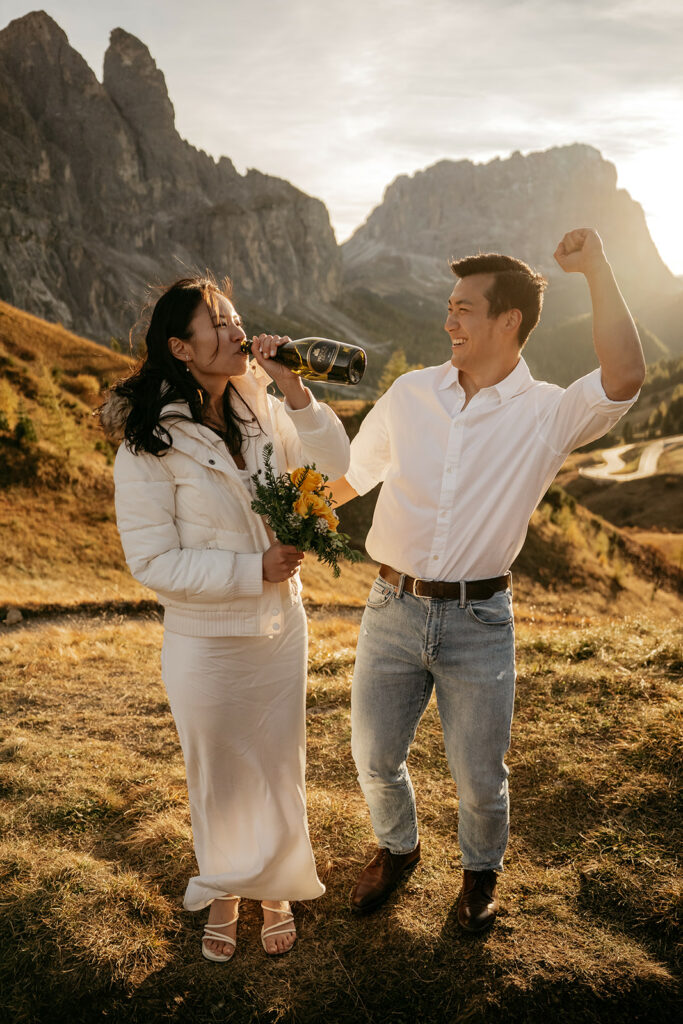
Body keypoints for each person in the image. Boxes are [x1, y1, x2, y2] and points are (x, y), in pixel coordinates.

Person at [328, 228, 645, 932]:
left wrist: (596, 266)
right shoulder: (411, 393)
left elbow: (623, 376)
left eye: (463, 309)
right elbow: (354, 474)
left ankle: (478, 876)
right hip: (390, 607)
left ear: (508, 322)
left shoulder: (546, 413)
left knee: (479, 779)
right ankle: (397, 850)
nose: (448, 322)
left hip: (478, 623)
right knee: (374, 757)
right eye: (448, 307)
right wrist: (289, 514)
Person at [100, 276, 350, 960]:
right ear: (181, 347)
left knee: (276, 761)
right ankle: (226, 885)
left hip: (279, 627)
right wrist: (251, 570)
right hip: (205, 641)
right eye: (218, 321)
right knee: (218, 770)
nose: (238, 329)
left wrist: (293, 388)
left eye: (237, 315)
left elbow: (335, 466)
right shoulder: (147, 442)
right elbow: (152, 562)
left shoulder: (262, 408)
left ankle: (275, 884)